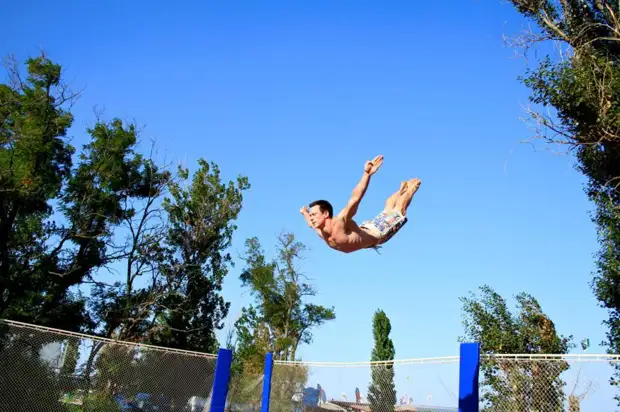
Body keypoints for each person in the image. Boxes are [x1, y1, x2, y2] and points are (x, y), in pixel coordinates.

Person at [300, 155, 421, 253]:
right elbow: (310, 223)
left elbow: (355, 199)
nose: (312, 218)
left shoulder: (340, 221)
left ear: (326, 213)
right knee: (388, 207)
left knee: (399, 210)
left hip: (379, 233)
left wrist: (367, 174)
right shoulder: (319, 230)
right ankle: (401, 190)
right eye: (311, 215)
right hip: (367, 228)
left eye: (314, 214)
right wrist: (305, 212)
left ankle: (411, 187)